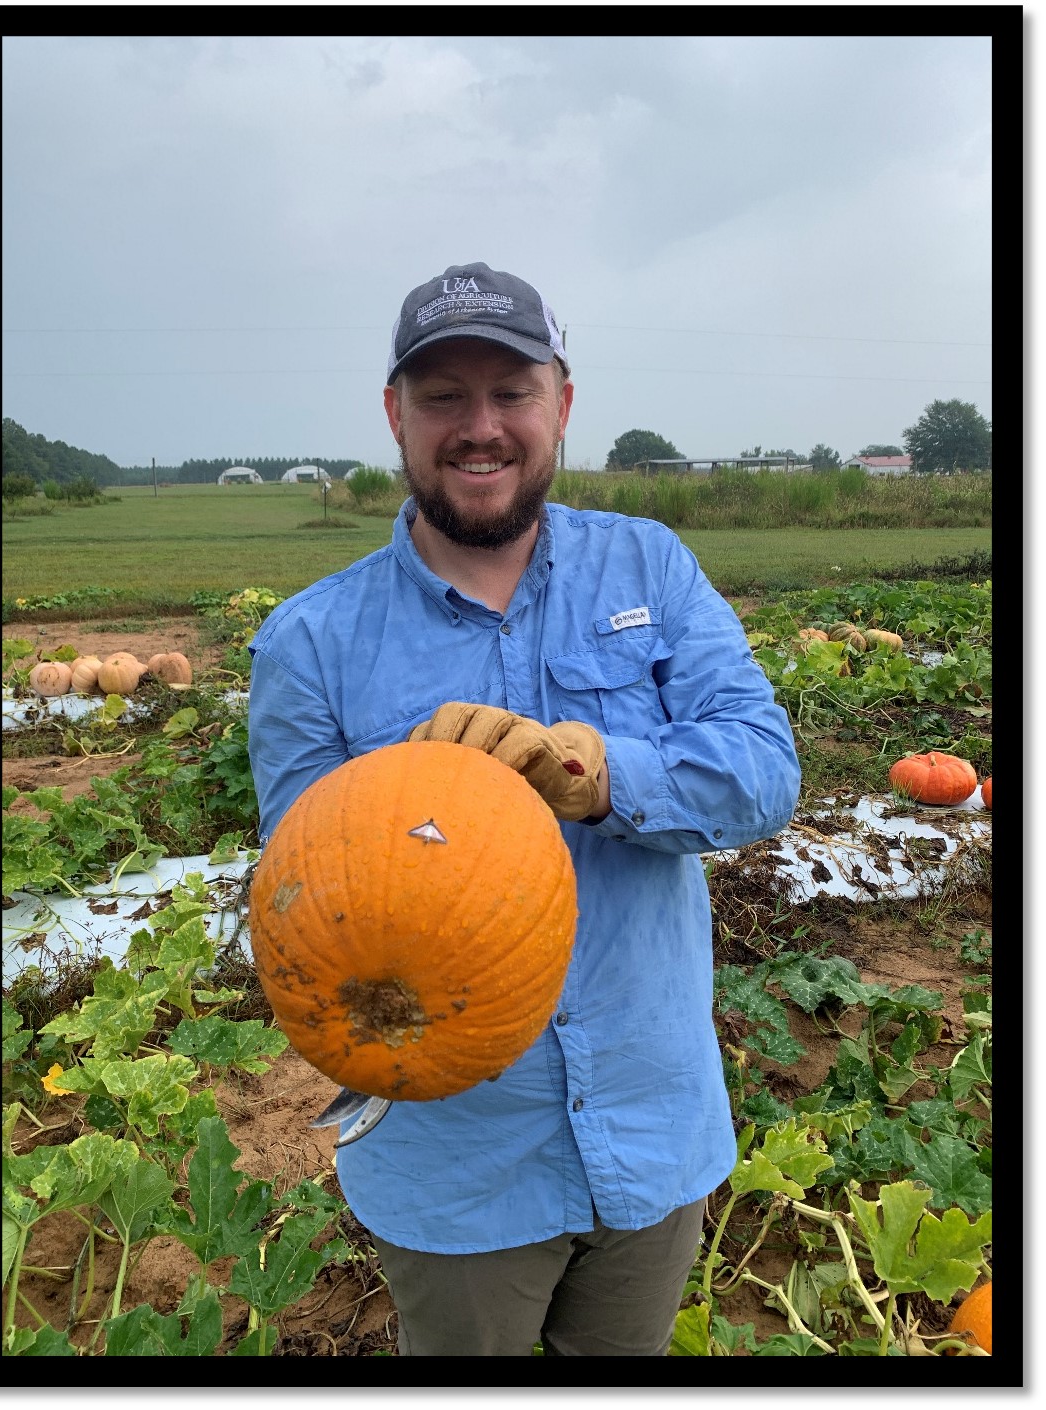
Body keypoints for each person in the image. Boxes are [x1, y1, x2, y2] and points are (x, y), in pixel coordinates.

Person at [246, 260, 801, 1356]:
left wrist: (604, 778)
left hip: (654, 1131)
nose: (480, 426)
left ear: (563, 404)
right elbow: (300, 894)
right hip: (457, 1168)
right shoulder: (310, 640)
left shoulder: (652, 566)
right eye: (444, 395)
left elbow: (763, 769)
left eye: (511, 392)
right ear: (397, 415)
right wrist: (406, 810)